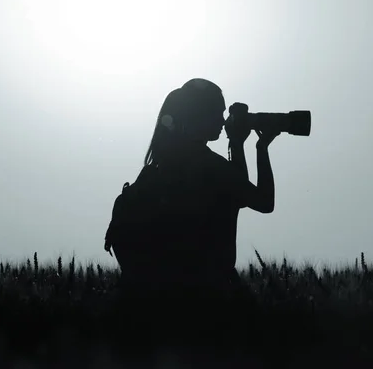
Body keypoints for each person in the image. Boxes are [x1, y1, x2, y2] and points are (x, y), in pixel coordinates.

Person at [109, 78, 279, 342]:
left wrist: (236, 144)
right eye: (218, 113)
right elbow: (262, 201)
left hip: (155, 301)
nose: (223, 121)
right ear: (200, 115)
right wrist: (260, 147)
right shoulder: (208, 165)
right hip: (209, 300)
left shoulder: (159, 167)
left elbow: (236, 194)